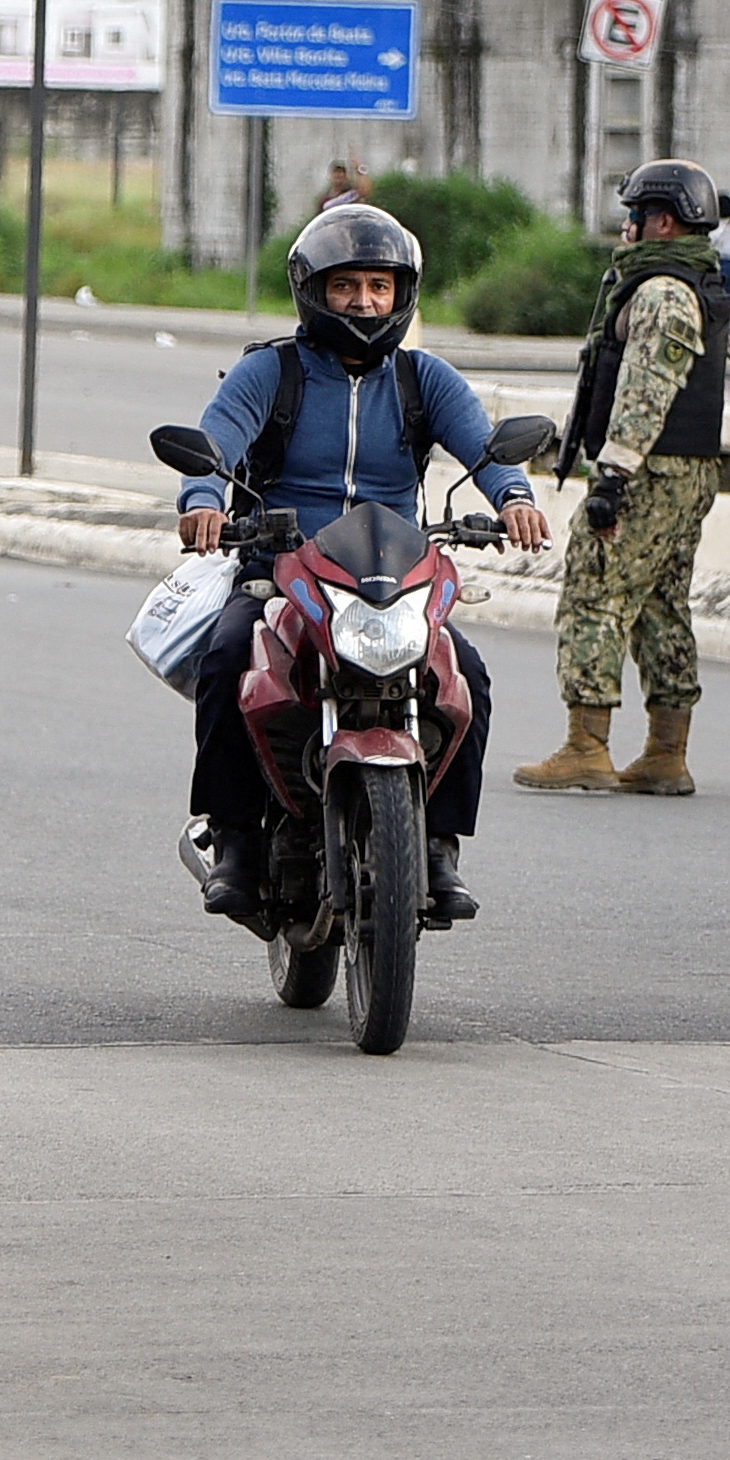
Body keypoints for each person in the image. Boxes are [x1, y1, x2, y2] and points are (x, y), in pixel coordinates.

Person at [170, 202, 548, 925]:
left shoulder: (421, 378)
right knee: (224, 660)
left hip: (391, 581)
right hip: (279, 572)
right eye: (347, 286)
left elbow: (483, 446)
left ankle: (437, 844)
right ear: (313, 290)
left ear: (401, 294)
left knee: (465, 674)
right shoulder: (269, 372)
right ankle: (235, 843)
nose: (364, 302)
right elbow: (214, 440)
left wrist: (515, 497)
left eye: (379, 286)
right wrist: (202, 498)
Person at [523, 159, 730, 796]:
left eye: (635, 216)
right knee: (661, 605)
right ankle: (665, 753)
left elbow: (647, 391)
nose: (627, 229)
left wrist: (611, 479)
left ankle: (586, 746)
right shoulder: (688, 281)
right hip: (680, 470)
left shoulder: (664, 292)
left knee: (595, 593)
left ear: (662, 221)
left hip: (648, 471)